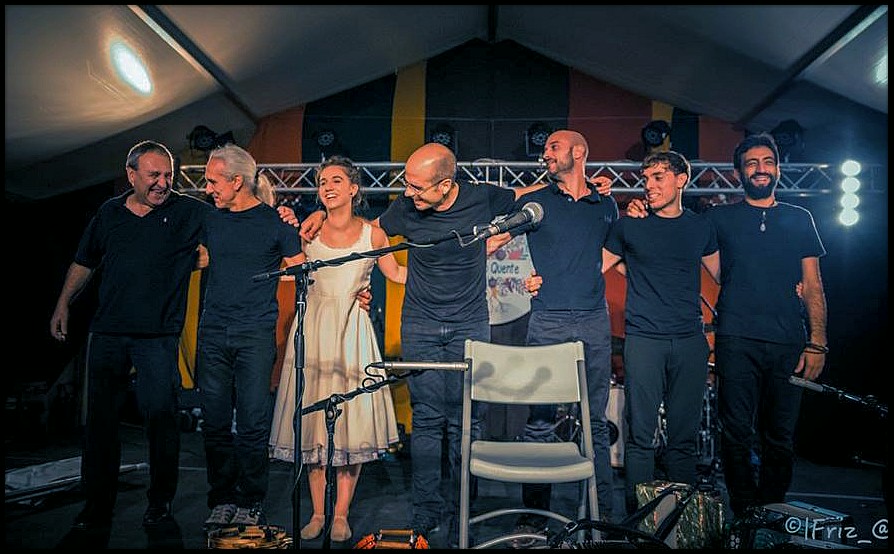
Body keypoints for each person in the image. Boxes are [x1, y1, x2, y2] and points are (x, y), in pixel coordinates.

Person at [300, 142, 518, 546]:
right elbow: (372, 230)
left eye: (417, 187)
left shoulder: (481, 197)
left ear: (445, 185)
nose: (408, 193)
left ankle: (461, 510)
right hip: (420, 323)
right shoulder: (405, 208)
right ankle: (426, 512)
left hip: (469, 323)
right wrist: (322, 216)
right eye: (408, 184)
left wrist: (497, 240)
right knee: (428, 420)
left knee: (466, 421)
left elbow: (527, 197)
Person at [626, 133, 828, 519]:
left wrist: (817, 342)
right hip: (735, 337)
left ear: (778, 168)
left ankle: (771, 515)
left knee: (780, 436)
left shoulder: (800, 218)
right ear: (738, 173)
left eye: (767, 162)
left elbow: (814, 284)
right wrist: (642, 211)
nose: (760, 169)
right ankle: (744, 516)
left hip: (789, 341)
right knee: (735, 434)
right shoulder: (717, 219)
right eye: (751, 163)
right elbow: (675, 231)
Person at [49, 140, 212, 530]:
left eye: (168, 175)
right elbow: (84, 261)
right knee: (101, 423)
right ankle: (96, 504)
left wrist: (281, 213)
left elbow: (233, 222)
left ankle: (160, 502)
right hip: (108, 332)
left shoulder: (188, 211)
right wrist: (63, 303)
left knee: (161, 417)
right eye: (154, 175)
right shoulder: (109, 213)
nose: (163, 183)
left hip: (158, 336)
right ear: (131, 175)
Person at [268, 156, 406, 543]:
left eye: (335, 180)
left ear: (353, 188)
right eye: (322, 182)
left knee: (349, 426)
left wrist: (450, 270)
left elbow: (397, 273)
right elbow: (280, 259)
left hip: (352, 332)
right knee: (314, 425)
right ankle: (317, 512)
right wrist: (284, 216)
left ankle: (341, 513)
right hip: (313, 330)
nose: (327, 187)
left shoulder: (373, 234)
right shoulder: (307, 231)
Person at [489, 130, 618, 540]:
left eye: (553, 147)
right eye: (545, 148)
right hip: (547, 320)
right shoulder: (537, 203)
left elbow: (609, 254)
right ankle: (534, 516)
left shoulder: (606, 204)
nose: (545, 153)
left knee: (595, 422)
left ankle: (602, 514)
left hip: (593, 320)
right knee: (540, 421)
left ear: (578, 152)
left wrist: (577, 275)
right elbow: (493, 240)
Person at [600, 151, 719, 515]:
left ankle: (682, 523)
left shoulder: (701, 227)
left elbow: (726, 275)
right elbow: (591, 266)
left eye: (658, 177)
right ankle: (639, 522)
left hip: (689, 342)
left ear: (681, 179)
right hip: (644, 340)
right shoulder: (629, 226)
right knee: (640, 438)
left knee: (683, 441)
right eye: (646, 179)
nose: (649, 186)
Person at [197, 144, 305, 532]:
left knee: (253, 423)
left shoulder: (275, 222)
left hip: (254, 334)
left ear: (237, 181)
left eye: (213, 181)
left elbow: (303, 270)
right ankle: (222, 498)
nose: (207, 188)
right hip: (213, 332)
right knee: (214, 422)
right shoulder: (209, 218)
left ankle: (251, 501)